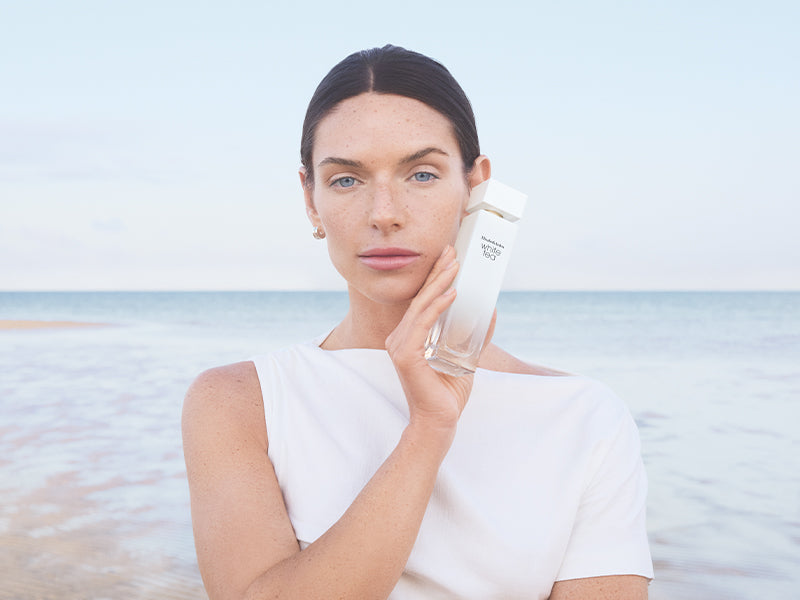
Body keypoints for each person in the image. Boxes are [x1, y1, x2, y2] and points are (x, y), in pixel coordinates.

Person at [182, 45, 653, 600]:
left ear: (476, 187)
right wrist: (428, 430)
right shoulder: (240, 402)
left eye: (422, 174)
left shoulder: (583, 417)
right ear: (310, 201)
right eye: (346, 181)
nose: (385, 213)